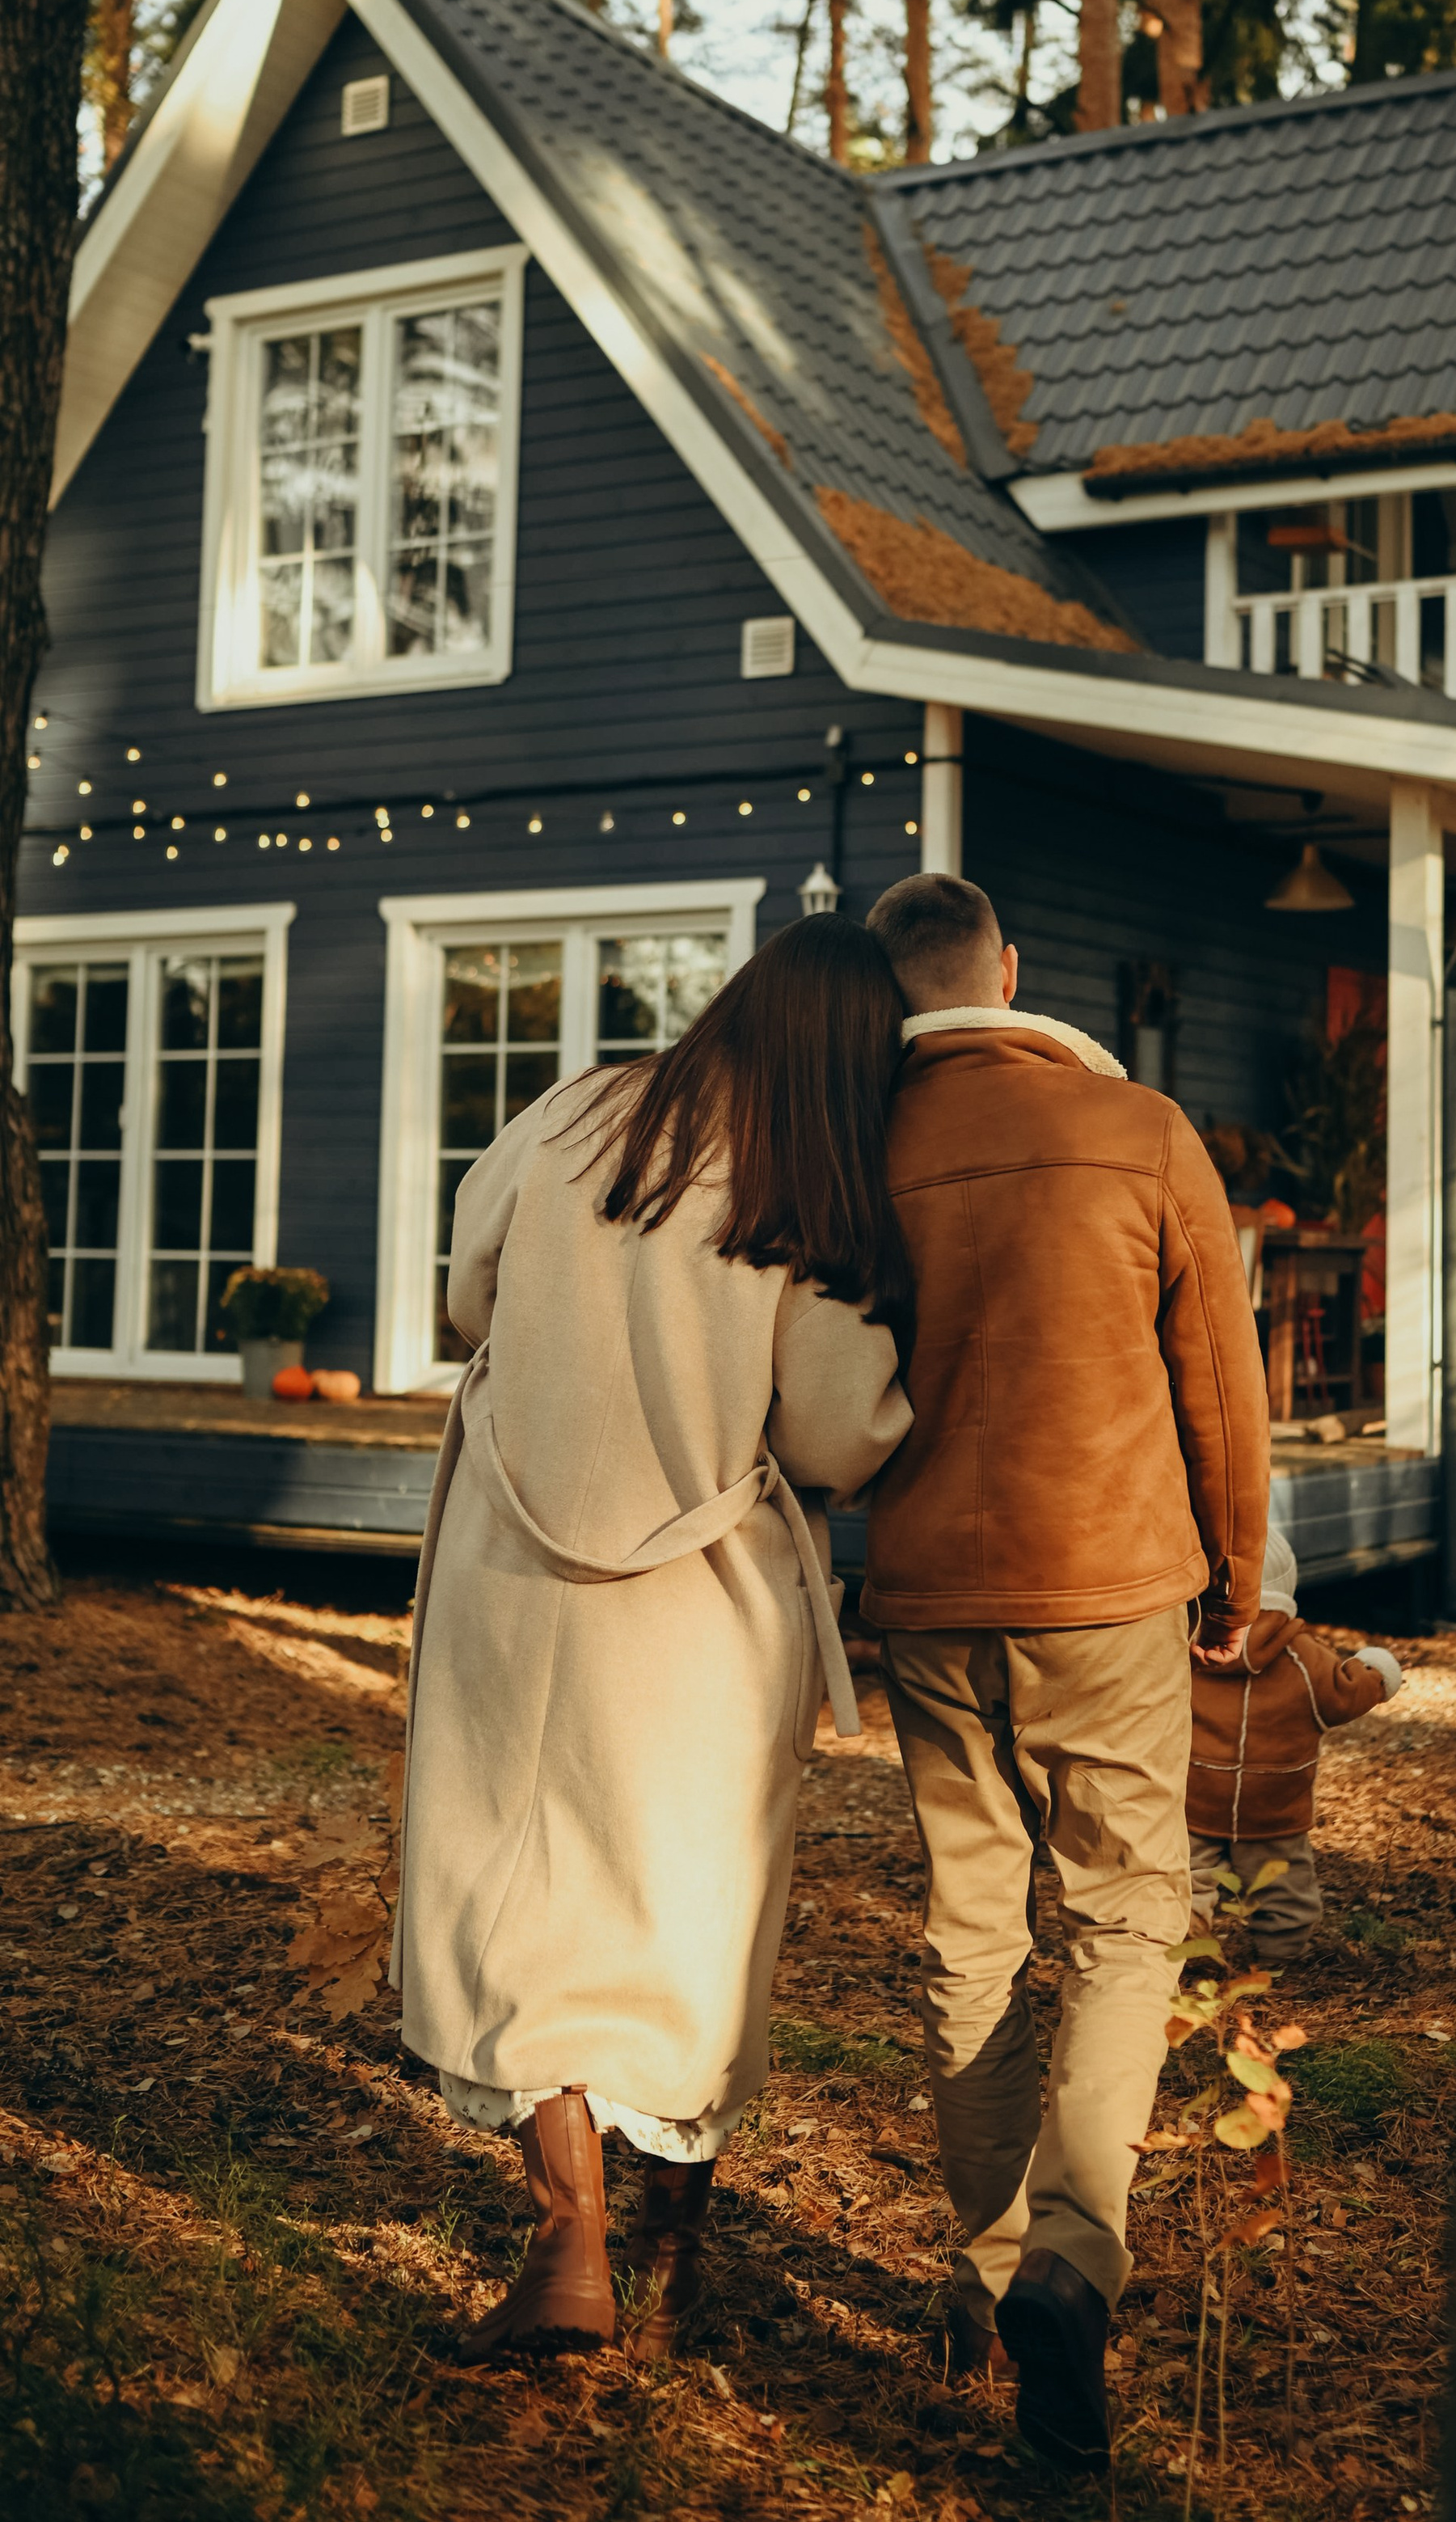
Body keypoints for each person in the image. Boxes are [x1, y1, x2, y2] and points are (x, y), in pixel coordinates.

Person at [393, 915, 913, 2364]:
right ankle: (677, 2233)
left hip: (510, 1566)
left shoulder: (573, 1109)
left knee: (512, 1893)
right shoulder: (815, 1185)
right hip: (700, 1606)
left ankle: (572, 2243)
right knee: (689, 1907)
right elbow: (836, 1435)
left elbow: (469, 1293)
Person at [860, 872, 1271, 2473]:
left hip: (930, 1596)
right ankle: (1067, 2263)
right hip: (1109, 1592)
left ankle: (983, 2281)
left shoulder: (853, 1147)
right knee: (1119, 1917)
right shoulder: (1143, 1130)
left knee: (971, 1930)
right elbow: (1219, 1389)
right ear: (1009, 973)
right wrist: (1238, 1579)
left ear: (895, 996)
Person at [1187, 1527, 1402, 1965]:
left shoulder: (1188, 1650)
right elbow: (1348, 1691)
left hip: (1196, 1796)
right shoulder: (1306, 1659)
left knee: (1187, 1880)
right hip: (1274, 1806)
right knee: (1283, 1887)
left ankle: (1183, 1944)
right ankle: (1280, 1959)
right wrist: (1378, 1670)